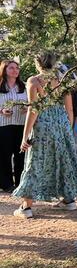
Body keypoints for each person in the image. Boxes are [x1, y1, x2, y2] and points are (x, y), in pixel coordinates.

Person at [12, 52, 77, 219]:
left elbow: (34, 109)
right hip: (61, 122)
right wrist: (68, 129)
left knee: (37, 160)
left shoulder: (34, 81)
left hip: (43, 123)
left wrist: (25, 136)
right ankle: (69, 200)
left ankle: (26, 207)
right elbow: (70, 109)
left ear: (37, 63)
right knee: (63, 158)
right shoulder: (63, 79)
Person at [0, 60, 28, 192]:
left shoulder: (24, 87)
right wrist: (1, 111)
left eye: (17, 68)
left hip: (21, 124)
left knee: (20, 155)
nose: (15, 70)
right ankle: (6, 184)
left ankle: (20, 183)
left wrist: (26, 109)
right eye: (11, 68)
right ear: (4, 70)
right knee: (4, 155)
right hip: (3, 125)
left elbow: (32, 103)